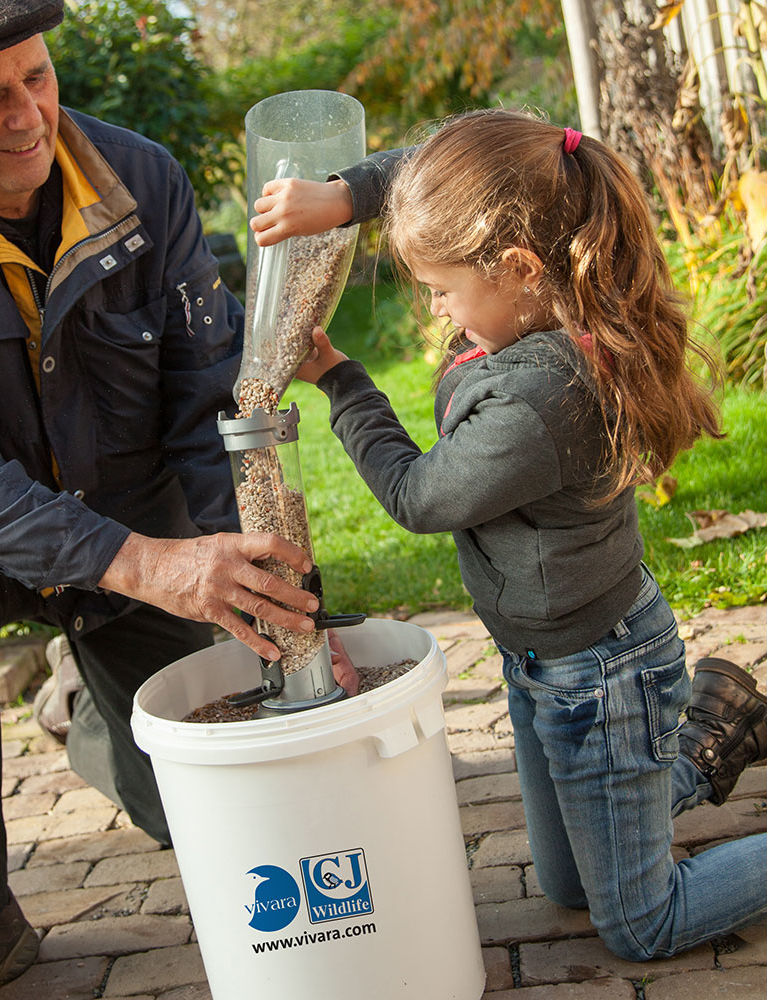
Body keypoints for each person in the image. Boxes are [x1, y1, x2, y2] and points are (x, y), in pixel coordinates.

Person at [0, 3, 376, 996]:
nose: (27, 114)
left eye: (35, 76)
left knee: (201, 813)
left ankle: (82, 707)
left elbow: (211, 410)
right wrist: (134, 560)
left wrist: (285, 608)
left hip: (143, 534)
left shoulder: (142, 181)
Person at [253, 109, 767, 961]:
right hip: (546, 661)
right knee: (567, 888)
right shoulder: (535, 256)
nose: (436, 307)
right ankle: (709, 737)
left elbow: (419, 496)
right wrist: (343, 199)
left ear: (521, 269)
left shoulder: (539, 399)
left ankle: (690, 740)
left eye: (444, 290)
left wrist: (343, 382)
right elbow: (445, 167)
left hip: (600, 678)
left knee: (639, 923)